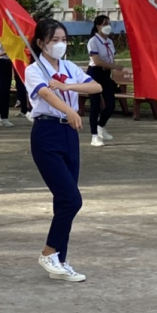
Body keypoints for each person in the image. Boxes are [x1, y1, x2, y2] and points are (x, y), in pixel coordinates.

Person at [25, 18, 102, 282]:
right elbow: (45, 94)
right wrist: (69, 109)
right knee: (72, 199)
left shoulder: (69, 67)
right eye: (53, 40)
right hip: (47, 133)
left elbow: (96, 86)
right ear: (40, 43)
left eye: (63, 39)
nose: (59, 45)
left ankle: (60, 259)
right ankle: (49, 251)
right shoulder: (34, 70)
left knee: (64, 202)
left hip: (70, 133)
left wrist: (69, 86)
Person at [86, 15, 123, 147]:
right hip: (95, 73)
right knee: (95, 105)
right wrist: (114, 67)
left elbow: (110, 57)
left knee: (110, 104)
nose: (108, 26)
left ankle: (101, 127)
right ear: (98, 26)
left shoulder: (110, 41)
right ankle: (94, 136)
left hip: (106, 74)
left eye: (109, 23)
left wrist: (111, 70)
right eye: (104, 24)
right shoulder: (93, 41)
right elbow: (97, 61)